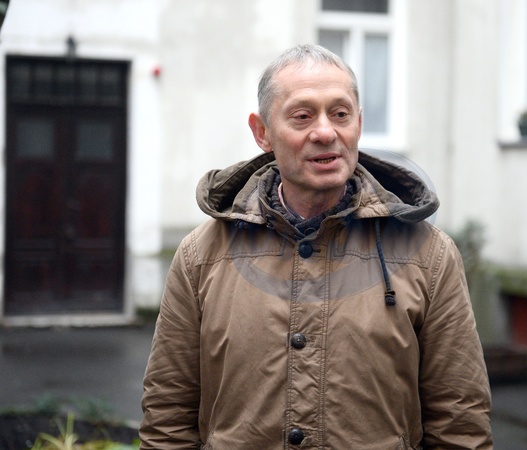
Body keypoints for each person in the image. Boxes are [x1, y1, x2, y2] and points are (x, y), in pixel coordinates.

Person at [140, 44, 492, 449]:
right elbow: (168, 414)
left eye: (340, 114)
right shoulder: (200, 257)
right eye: (302, 116)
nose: (325, 132)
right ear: (262, 132)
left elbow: (460, 421)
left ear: (359, 124)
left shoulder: (429, 256)